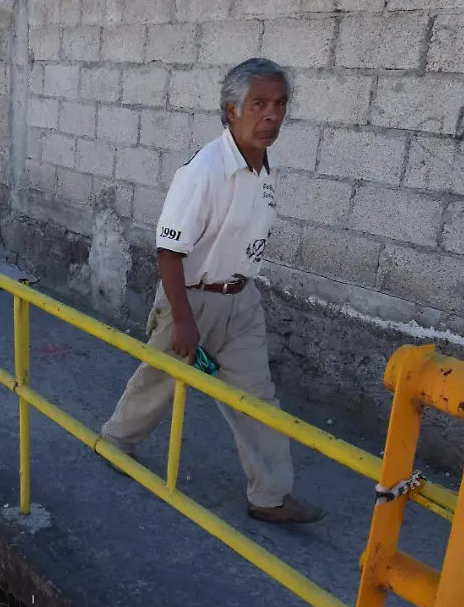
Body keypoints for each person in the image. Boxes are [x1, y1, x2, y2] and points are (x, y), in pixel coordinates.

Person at [99, 57, 322, 525]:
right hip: (191, 298)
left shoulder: (267, 168)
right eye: (259, 104)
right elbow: (168, 251)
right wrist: (182, 319)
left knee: (257, 397)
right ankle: (116, 441)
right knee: (157, 382)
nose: (272, 115)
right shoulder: (203, 171)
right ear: (231, 110)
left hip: (242, 301)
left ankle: (270, 495)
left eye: (280, 104)